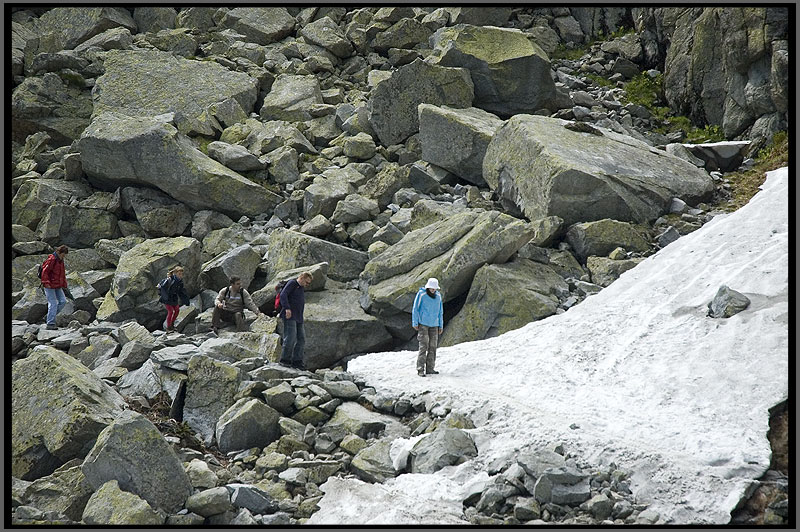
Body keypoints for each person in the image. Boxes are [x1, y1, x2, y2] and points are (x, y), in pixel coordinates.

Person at [278, 272, 313, 369]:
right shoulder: (292, 283)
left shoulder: (301, 288)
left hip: (299, 317)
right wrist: (287, 308)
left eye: (308, 283)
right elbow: (283, 295)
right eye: (306, 282)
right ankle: (285, 360)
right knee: (290, 338)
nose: (307, 285)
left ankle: (297, 361)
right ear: (302, 278)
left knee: (301, 339)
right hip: (290, 315)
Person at [412, 277, 444, 377]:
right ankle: (420, 369)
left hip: (434, 325)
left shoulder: (438, 296)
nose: (433, 290)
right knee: (423, 346)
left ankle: (430, 368)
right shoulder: (421, 294)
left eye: (434, 289)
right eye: (431, 289)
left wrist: (440, 325)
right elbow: (415, 308)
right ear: (428, 287)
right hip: (423, 324)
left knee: (433, 347)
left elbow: (440, 311)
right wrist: (415, 322)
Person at [41, 245, 69, 330]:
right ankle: (50, 324)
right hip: (49, 285)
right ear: (59, 252)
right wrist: (46, 282)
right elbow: (44, 272)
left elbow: (62, 273)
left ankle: (49, 317)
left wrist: (64, 284)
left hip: (57, 285)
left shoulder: (60, 260)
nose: (64, 256)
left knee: (63, 301)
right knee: (53, 303)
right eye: (63, 254)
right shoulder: (52, 259)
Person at [160, 265, 190, 332]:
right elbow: (163, 288)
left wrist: (186, 300)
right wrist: (165, 298)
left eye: (181, 274)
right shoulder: (170, 280)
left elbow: (181, 291)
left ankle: (172, 325)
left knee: (177, 310)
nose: (180, 275)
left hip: (174, 298)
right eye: (179, 274)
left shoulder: (180, 282)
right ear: (175, 273)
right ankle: (168, 328)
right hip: (167, 298)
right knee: (170, 311)